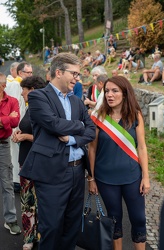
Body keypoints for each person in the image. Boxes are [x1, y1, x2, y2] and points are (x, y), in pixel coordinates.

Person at [19, 52, 96, 250]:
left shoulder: (77, 101)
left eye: (79, 75)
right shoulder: (38, 96)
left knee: (72, 227)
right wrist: (79, 124)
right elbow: (54, 125)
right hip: (52, 172)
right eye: (75, 74)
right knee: (52, 227)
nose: (78, 79)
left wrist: (71, 137)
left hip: (77, 171)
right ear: (59, 72)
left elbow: (91, 132)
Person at [88, 76, 150, 250]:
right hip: (106, 179)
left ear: (125, 93)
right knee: (114, 219)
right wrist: (91, 179)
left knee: (139, 218)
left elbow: (142, 148)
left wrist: (146, 177)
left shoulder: (135, 115)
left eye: (115, 91)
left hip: (132, 177)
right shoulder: (98, 117)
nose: (109, 94)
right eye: (107, 91)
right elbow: (91, 149)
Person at [12, 76, 46, 250]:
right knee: (26, 202)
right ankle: (29, 237)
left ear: (31, 89)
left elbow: (47, 137)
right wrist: (19, 132)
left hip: (39, 162)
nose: (22, 93)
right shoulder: (29, 107)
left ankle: (41, 234)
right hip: (25, 160)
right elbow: (27, 127)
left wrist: (25, 136)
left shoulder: (43, 109)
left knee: (40, 201)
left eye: (23, 89)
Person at [5, 61, 33, 193]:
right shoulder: (16, 85)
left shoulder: (24, 85)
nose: (31, 74)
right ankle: (16, 181)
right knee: (16, 155)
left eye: (32, 72)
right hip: (17, 126)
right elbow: (15, 107)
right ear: (20, 73)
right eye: (28, 72)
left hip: (22, 126)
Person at [0, 72, 21, 235]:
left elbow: (16, 121)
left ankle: (11, 220)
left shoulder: (12, 101)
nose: (3, 85)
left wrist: (4, 120)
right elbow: (10, 120)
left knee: (7, 183)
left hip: (3, 145)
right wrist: (7, 118)